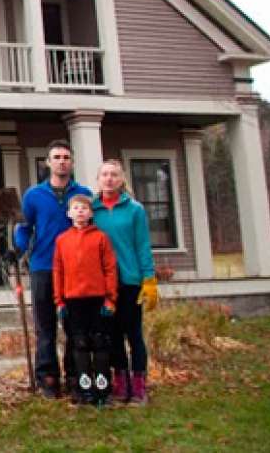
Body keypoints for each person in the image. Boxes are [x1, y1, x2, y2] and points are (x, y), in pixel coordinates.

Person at [14, 140, 93, 398]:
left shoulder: (83, 195)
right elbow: (24, 227)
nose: (62, 161)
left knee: (74, 325)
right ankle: (47, 377)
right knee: (45, 326)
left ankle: (74, 374)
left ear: (72, 162)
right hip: (43, 266)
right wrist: (17, 249)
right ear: (48, 162)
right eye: (56, 157)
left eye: (66, 157)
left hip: (76, 270)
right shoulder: (34, 196)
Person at [92, 159, 159, 406]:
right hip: (102, 284)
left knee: (133, 334)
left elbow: (143, 245)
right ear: (98, 179)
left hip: (130, 281)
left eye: (114, 175)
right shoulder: (92, 210)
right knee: (112, 335)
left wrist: (148, 279)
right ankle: (120, 383)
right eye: (105, 174)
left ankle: (139, 385)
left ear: (121, 179)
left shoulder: (134, 209)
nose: (109, 179)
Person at [53, 194, 118, 407]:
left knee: (99, 343)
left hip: (97, 299)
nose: (80, 211)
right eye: (76, 208)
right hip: (73, 300)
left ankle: (102, 389)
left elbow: (109, 269)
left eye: (84, 208)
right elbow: (58, 271)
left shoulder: (100, 238)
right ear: (69, 213)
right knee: (79, 344)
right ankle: (84, 389)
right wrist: (59, 301)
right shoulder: (62, 240)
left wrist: (110, 299)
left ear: (91, 213)